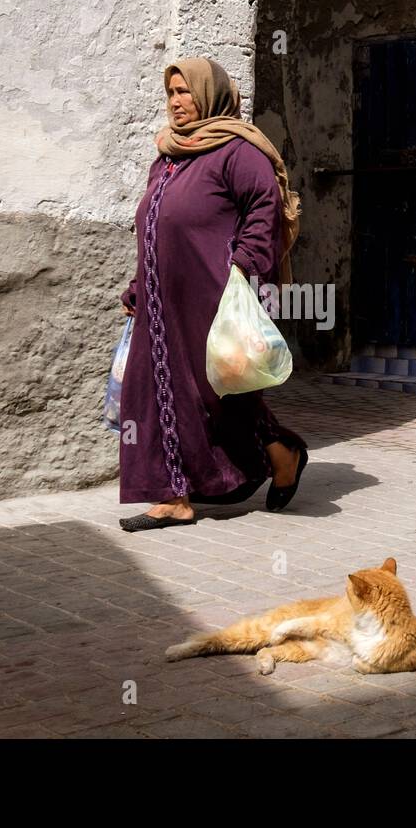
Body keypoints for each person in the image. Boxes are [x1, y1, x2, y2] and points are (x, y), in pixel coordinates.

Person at [116, 57, 309, 532]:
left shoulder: (238, 152)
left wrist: (241, 269)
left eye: (186, 92)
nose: (177, 102)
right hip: (162, 301)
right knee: (161, 391)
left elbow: (263, 211)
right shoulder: (167, 155)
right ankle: (175, 496)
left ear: (211, 94)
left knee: (219, 392)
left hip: (214, 293)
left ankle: (283, 456)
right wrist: (139, 286)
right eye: (171, 93)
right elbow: (156, 228)